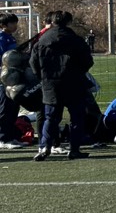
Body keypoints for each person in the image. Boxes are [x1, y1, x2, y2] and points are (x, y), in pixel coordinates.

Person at [30, 10, 94, 161]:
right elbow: (88, 61)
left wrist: (43, 77)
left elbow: (33, 63)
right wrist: (78, 72)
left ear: (52, 22)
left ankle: (45, 146)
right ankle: (74, 149)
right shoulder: (76, 40)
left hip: (50, 84)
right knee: (77, 118)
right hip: (74, 83)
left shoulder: (42, 40)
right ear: (69, 22)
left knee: (50, 117)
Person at [0, 13, 24, 148]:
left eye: (15, 23)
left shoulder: (10, 37)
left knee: (13, 107)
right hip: (4, 79)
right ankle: (2, 138)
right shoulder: (1, 38)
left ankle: (10, 136)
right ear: (3, 25)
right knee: (5, 107)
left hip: (13, 78)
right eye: (12, 23)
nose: (15, 26)